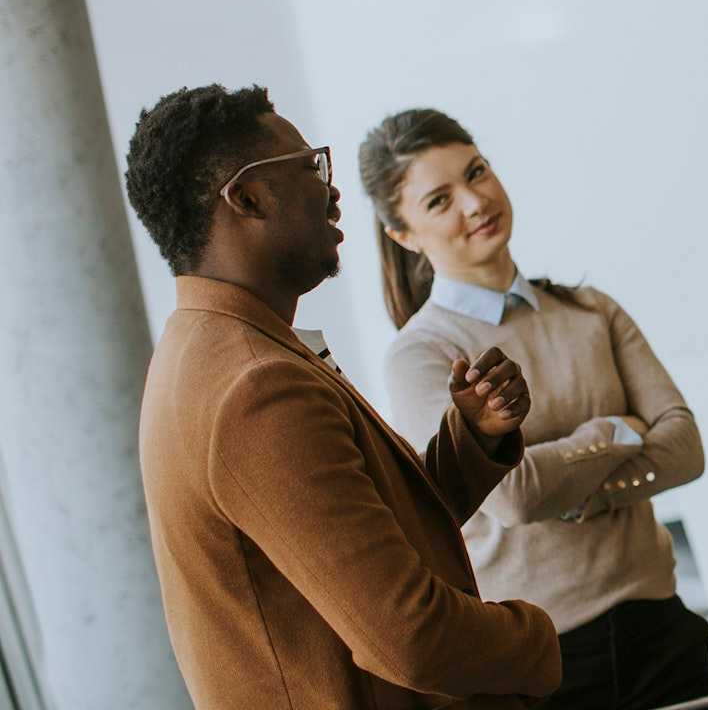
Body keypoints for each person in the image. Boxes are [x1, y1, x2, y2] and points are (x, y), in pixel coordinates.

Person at [126, 85, 559, 707]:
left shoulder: (210, 348)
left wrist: (472, 442)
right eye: (309, 166)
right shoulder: (254, 386)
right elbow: (410, 636)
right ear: (246, 197)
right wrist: (541, 636)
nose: (332, 190)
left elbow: (364, 544)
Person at [364, 108, 708, 709]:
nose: (475, 202)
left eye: (477, 173)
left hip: (664, 632)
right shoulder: (422, 355)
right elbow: (514, 497)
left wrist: (579, 494)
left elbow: (685, 450)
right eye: (439, 200)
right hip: (543, 667)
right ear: (404, 235)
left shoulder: (590, 310)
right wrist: (617, 431)